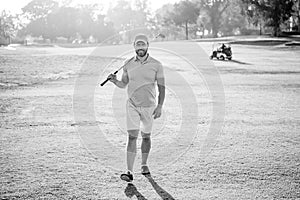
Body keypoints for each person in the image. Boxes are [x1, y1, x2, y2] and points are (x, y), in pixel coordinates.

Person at [107, 34, 165, 182]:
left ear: (147, 46)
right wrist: (114, 81)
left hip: (149, 106)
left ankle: (144, 164)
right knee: (132, 136)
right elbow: (123, 84)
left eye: (143, 45)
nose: (140, 48)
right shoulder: (127, 64)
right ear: (134, 46)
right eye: (137, 45)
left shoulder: (157, 65)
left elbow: (161, 87)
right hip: (132, 104)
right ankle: (129, 171)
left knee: (146, 136)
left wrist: (159, 106)